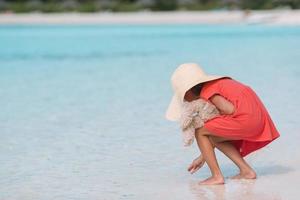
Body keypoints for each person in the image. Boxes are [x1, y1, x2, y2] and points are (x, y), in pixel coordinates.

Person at [165, 63, 280, 185]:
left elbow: (229, 110)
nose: (183, 100)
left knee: (200, 131)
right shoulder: (218, 84)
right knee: (214, 137)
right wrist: (203, 157)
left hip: (246, 120)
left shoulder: (208, 91)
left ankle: (217, 176)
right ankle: (247, 171)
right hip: (257, 120)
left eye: (183, 95)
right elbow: (215, 133)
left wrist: (213, 122)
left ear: (189, 90)